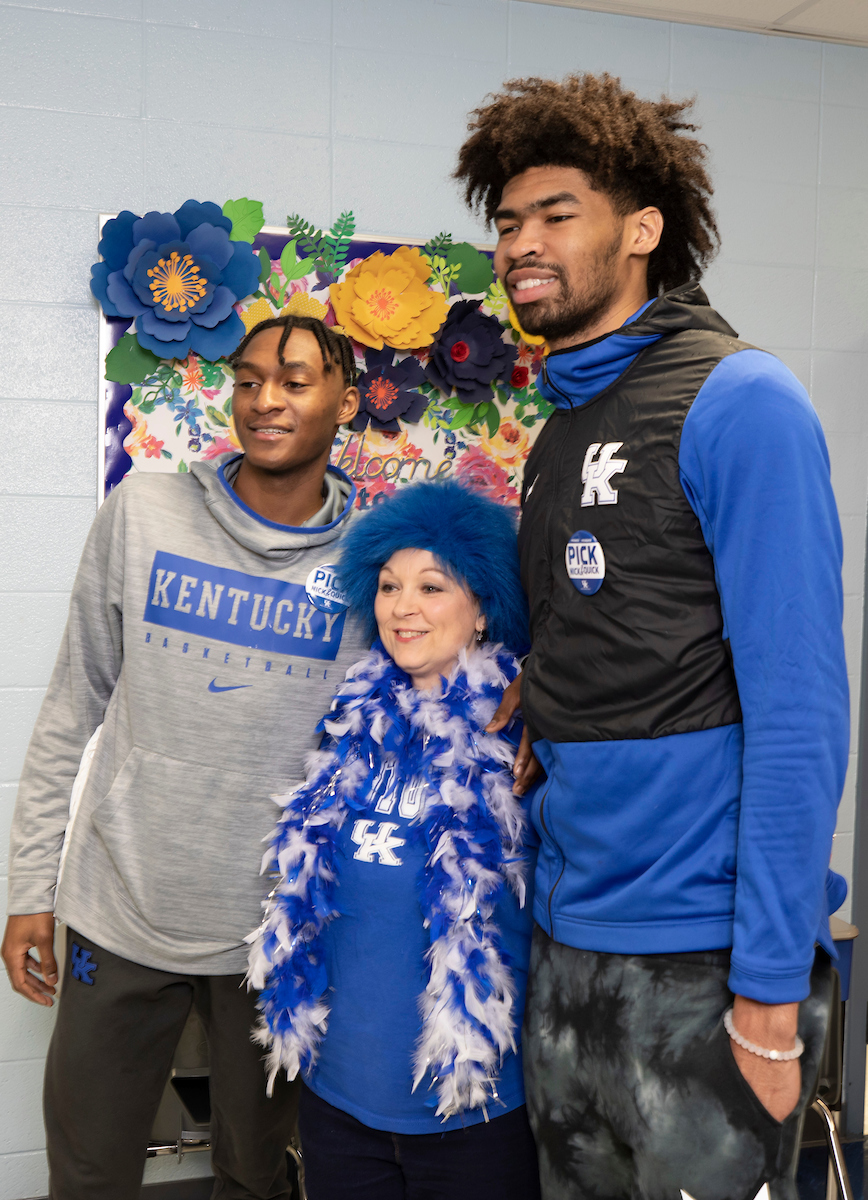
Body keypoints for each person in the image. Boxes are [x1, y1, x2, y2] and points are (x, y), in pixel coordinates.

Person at [453, 73, 850, 1200]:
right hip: (567, 946)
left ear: (641, 229)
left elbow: (800, 708)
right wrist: (547, 687)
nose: (521, 242)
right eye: (509, 222)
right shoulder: (558, 430)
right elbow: (612, 625)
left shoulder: (741, 400)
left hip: (708, 969)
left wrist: (770, 991)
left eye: (555, 214)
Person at [2, 312, 370, 1200]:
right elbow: (70, 706)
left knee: (257, 1174)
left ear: (346, 402)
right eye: (248, 381)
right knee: (88, 1171)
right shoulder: (144, 512)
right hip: (119, 905)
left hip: (275, 931)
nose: (265, 401)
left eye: (294, 380)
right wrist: (28, 890)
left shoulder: (373, 563)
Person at [247, 480, 542, 1200]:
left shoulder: (527, 745)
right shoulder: (351, 728)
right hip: (338, 1103)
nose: (402, 608)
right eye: (387, 586)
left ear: (482, 611)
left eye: (432, 586)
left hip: (474, 1115)